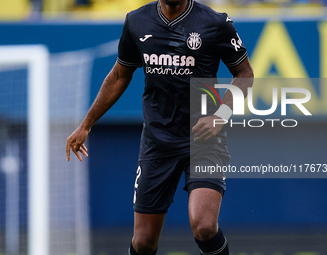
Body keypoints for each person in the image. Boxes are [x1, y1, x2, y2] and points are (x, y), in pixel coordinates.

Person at [66, 0, 254, 254]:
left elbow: (244, 74)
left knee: (204, 226)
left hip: (204, 140)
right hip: (157, 142)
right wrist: (86, 124)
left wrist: (220, 116)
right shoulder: (136, 21)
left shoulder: (215, 23)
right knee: (143, 242)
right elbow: (120, 75)